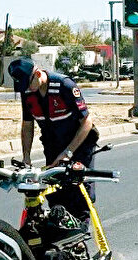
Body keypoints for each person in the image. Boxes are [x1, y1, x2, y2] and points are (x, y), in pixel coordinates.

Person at [8, 58, 100, 220]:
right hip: (52, 144)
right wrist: (26, 157)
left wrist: (68, 152)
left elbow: (86, 122)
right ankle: (60, 233)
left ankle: (80, 236)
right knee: (55, 192)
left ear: (37, 74)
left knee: (79, 193)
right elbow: (27, 125)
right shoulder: (28, 92)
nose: (27, 89)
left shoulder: (64, 86)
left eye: (28, 84)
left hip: (78, 144)